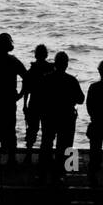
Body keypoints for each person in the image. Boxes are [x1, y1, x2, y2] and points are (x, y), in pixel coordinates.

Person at [38, 51, 84, 184]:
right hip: (66, 116)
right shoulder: (71, 80)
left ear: (55, 64)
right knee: (65, 146)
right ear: (66, 65)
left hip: (49, 116)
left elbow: (40, 98)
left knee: (46, 144)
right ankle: (62, 173)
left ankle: (42, 173)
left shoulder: (46, 79)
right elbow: (81, 99)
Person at [0, 32, 28, 167]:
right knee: (10, 130)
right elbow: (27, 78)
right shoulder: (13, 61)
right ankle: (11, 158)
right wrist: (20, 94)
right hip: (9, 101)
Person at [20, 45, 54, 165]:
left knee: (31, 131)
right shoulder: (51, 69)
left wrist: (24, 105)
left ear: (36, 55)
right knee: (47, 132)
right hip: (47, 104)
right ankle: (46, 156)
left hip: (34, 103)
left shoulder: (32, 70)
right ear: (46, 55)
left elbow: (25, 89)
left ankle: (29, 154)